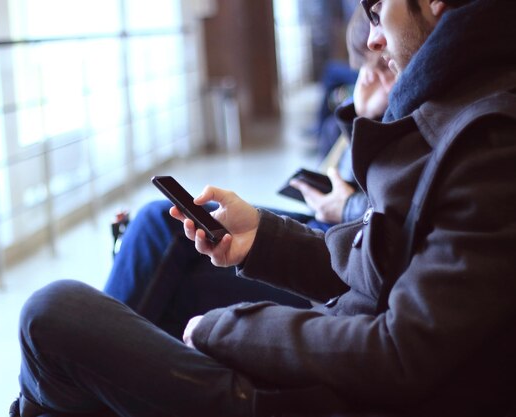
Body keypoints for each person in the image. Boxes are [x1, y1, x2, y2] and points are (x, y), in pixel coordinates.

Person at [10, 1, 516, 416]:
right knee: (69, 324)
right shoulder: (459, 111)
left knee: (50, 318)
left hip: (336, 400)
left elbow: (402, 356)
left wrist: (229, 330)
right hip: (340, 374)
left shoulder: (489, 141)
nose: (374, 41)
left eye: (378, 10)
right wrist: (263, 237)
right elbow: (383, 262)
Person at [101, 5, 389, 339]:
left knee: (160, 242)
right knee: (162, 229)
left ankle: (71, 375)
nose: (369, 74)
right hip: (333, 236)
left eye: (382, 65)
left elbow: (387, 226)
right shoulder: (408, 102)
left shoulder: (431, 122)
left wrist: (348, 204)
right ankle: (74, 374)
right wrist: (364, 117)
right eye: (368, 65)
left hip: (340, 259)